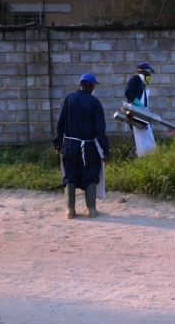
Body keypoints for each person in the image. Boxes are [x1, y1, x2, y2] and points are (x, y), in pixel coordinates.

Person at [53, 72, 110, 219]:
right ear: (91, 86)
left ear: (80, 85)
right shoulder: (95, 103)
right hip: (88, 146)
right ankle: (91, 209)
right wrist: (105, 150)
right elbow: (100, 130)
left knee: (70, 174)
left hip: (69, 144)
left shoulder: (69, 98)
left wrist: (58, 144)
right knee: (90, 174)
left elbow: (60, 124)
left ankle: (70, 211)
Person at [124, 62, 155, 158]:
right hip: (136, 114)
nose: (149, 75)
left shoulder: (141, 83)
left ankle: (140, 158)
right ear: (144, 72)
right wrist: (139, 104)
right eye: (149, 72)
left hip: (141, 114)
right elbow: (128, 92)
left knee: (143, 140)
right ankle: (135, 159)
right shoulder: (135, 80)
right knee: (139, 141)